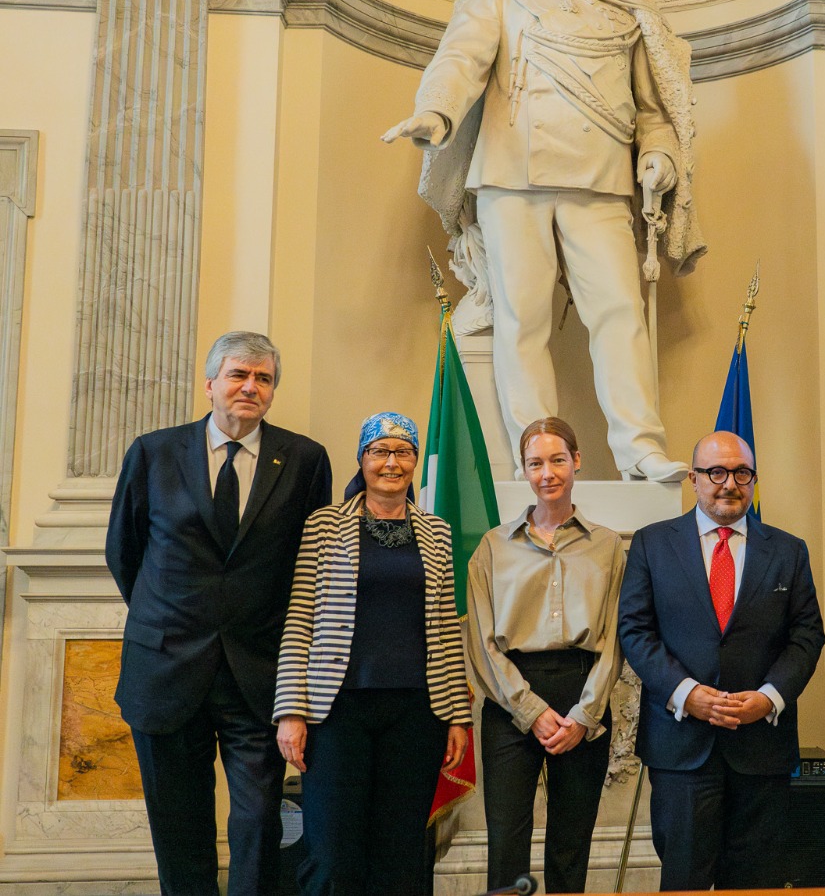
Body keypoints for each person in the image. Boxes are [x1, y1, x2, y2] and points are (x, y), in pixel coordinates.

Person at [381, 0, 705, 483]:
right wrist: (435, 113)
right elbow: (460, 63)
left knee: (620, 313)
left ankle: (640, 449)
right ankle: (539, 453)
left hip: (603, 179)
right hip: (513, 175)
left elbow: (652, 110)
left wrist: (659, 155)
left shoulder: (630, 20)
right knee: (522, 319)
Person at [106, 330, 332, 896]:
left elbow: (309, 564)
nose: (250, 387)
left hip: (258, 673)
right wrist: (171, 615)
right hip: (165, 667)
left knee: (258, 822)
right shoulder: (154, 453)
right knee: (180, 828)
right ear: (210, 384)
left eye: (263, 378)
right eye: (238, 375)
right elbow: (124, 551)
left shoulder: (304, 460)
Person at [273, 412, 472, 896]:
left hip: (416, 714)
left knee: (400, 855)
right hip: (337, 713)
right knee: (331, 854)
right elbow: (299, 620)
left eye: (403, 452)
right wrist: (290, 710)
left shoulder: (437, 531)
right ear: (362, 459)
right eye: (380, 451)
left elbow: (447, 628)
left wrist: (458, 717)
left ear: (415, 461)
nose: (391, 462)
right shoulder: (323, 525)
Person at [617, 431, 825, 890]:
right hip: (681, 747)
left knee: (757, 884)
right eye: (716, 472)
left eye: (741, 473)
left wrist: (769, 698)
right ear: (694, 479)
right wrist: (686, 693)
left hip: (761, 749)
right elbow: (634, 630)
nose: (729, 483)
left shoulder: (788, 550)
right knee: (684, 880)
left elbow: (807, 636)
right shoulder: (653, 544)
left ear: (753, 479)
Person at [465, 417, 626, 892]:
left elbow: (617, 637)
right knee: (506, 841)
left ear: (577, 461)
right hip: (510, 698)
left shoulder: (608, 546)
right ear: (524, 470)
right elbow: (482, 641)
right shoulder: (493, 546)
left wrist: (585, 715)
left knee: (570, 844)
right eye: (535, 463)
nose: (547, 473)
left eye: (557, 460)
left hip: (583, 692)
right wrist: (530, 710)